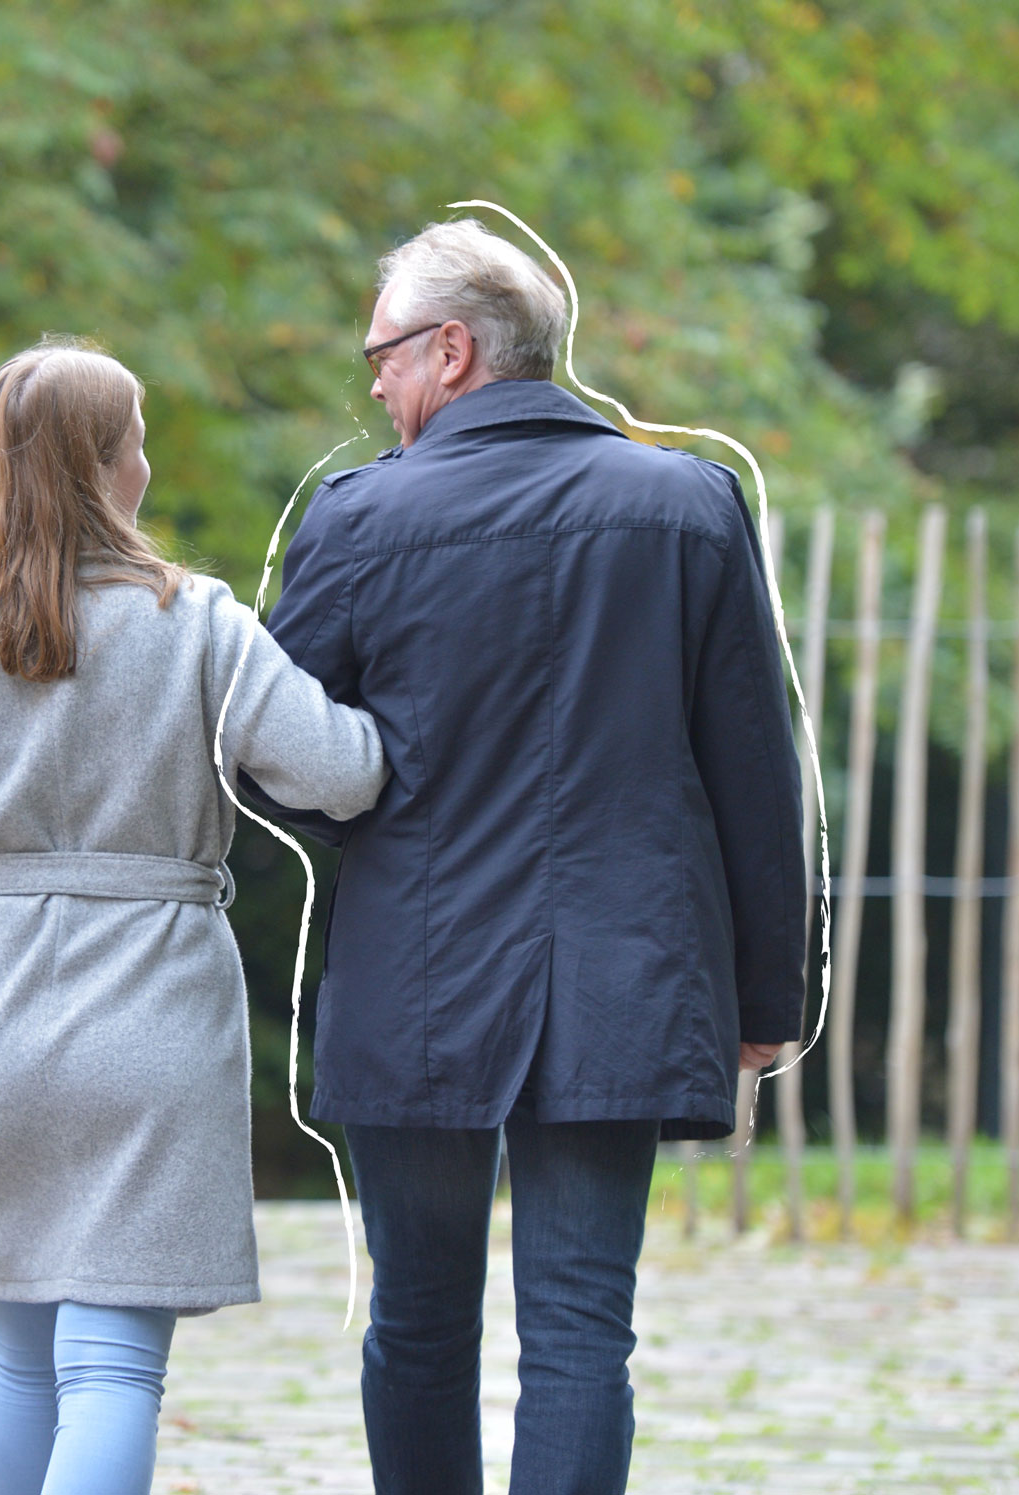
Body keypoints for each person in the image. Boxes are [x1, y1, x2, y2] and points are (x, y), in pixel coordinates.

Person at [250, 219, 807, 1495]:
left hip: (418, 972)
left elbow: (274, 746)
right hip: (625, 974)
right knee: (579, 1336)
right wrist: (761, 999)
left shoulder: (357, 519)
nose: (374, 385)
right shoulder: (686, 505)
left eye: (382, 356)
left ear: (451, 351)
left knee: (417, 1324)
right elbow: (751, 769)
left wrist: (371, 824)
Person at [0, 337, 390, 1495]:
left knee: (19, 1354)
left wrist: (12, 884)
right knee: (110, 1366)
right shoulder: (195, 622)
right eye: (135, 440)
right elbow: (341, 772)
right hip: (151, 1005)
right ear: (103, 467)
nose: (144, 463)